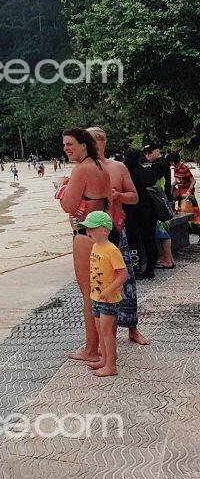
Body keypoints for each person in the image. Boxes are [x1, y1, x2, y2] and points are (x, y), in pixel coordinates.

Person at [87, 126, 150, 347]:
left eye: (94, 141)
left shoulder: (118, 167)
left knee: (126, 279)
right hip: (93, 236)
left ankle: (132, 328)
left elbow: (134, 197)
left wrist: (119, 195)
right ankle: (103, 336)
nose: (90, 146)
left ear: (103, 143)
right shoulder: (83, 170)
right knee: (98, 281)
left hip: (116, 231)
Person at [58, 127, 112, 365]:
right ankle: (104, 347)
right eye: (64, 145)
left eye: (70, 144)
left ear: (83, 145)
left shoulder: (81, 169)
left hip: (84, 236)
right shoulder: (101, 167)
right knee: (101, 292)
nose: (66, 149)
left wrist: (61, 189)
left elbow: (68, 206)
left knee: (89, 294)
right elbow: (107, 201)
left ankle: (91, 349)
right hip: (102, 235)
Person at [81, 211, 128, 377]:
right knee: (100, 330)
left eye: (92, 228)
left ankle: (111, 366)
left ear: (105, 231)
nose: (88, 232)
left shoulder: (112, 250)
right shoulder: (95, 247)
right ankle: (104, 360)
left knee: (107, 332)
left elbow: (123, 274)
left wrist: (108, 291)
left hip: (109, 299)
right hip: (96, 297)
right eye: (87, 228)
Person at [122, 147, 160, 285]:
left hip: (132, 211)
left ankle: (136, 270)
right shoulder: (148, 172)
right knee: (149, 240)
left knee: (133, 241)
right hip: (149, 211)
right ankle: (150, 269)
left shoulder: (127, 174)